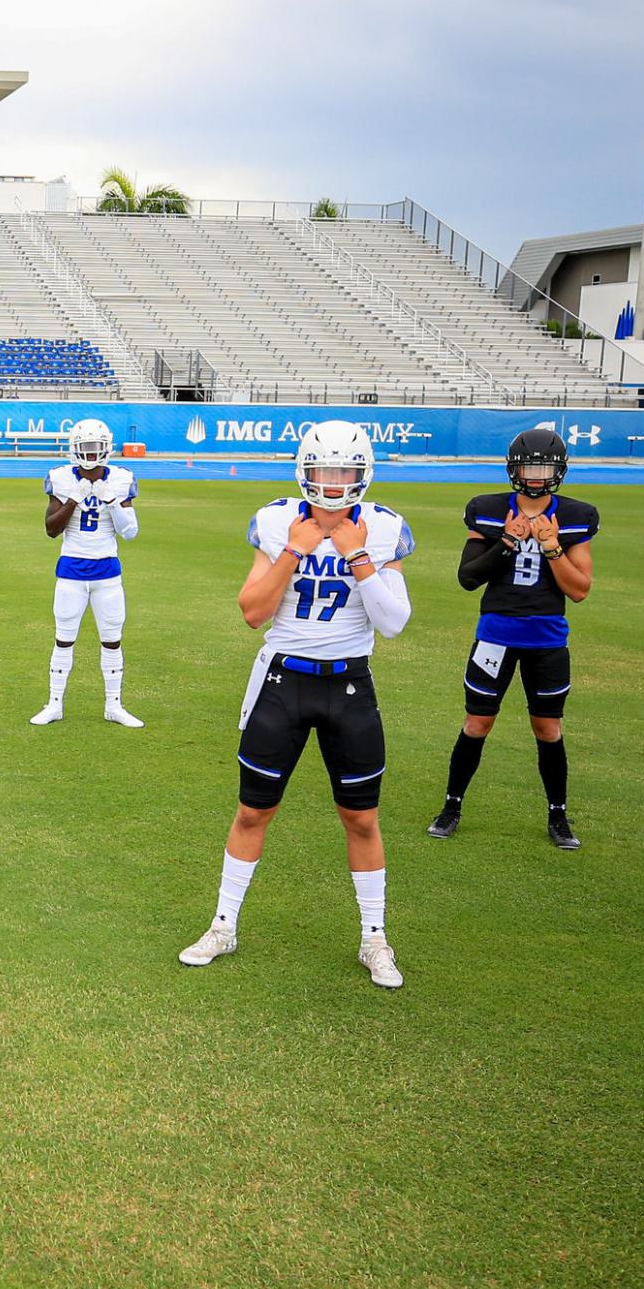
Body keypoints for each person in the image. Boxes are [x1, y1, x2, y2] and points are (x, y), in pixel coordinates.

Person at [181, 420, 415, 989]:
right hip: (283, 681)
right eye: (323, 470)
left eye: (344, 471)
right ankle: (223, 924)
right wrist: (294, 550)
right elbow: (253, 611)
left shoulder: (383, 529)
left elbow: (393, 623)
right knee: (252, 810)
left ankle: (374, 938)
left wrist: (358, 558)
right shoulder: (276, 520)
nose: (333, 484)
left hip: (349, 685)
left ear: (363, 473)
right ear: (305, 471)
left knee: (361, 817)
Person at [429, 427, 598, 848]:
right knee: (477, 722)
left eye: (544, 467)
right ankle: (451, 806)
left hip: (547, 638)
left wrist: (552, 547)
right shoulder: (488, 510)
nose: (536, 475)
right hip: (496, 636)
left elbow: (579, 590)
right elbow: (468, 578)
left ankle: (558, 816)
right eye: (529, 466)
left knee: (548, 728)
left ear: (558, 471)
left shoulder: (576, 517)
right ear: (514, 469)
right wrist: (508, 540)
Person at [30, 415, 144, 728]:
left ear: (106, 448)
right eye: (85, 447)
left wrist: (112, 501)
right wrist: (73, 500)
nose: (91, 454)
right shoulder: (60, 477)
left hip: (107, 570)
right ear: (74, 448)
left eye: (96, 447)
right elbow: (52, 529)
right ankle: (54, 704)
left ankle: (113, 705)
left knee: (112, 639)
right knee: (63, 639)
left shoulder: (120, 478)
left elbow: (130, 532)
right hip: (71, 569)